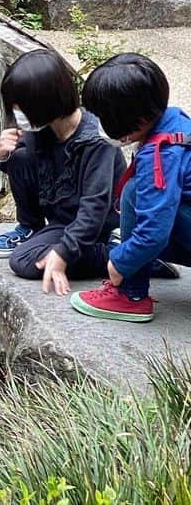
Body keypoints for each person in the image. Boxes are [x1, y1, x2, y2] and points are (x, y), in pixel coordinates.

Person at [0, 49, 125, 296]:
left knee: (23, 260)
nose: (18, 116)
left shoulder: (96, 141)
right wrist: (1, 155)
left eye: (22, 109)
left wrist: (63, 253)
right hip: (62, 220)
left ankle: (118, 255)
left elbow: (94, 209)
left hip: (98, 227)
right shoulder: (43, 128)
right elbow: (19, 166)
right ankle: (30, 227)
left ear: (45, 102)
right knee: (19, 154)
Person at [73, 53, 191, 322]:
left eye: (104, 116)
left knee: (135, 193)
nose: (100, 124)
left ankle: (130, 295)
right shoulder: (175, 121)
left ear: (135, 120)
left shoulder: (160, 155)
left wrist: (120, 262)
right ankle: (141, 266)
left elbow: (154, 232)